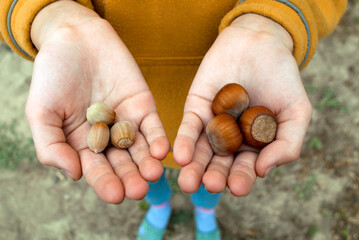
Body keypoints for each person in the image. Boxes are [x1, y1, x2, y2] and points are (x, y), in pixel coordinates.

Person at [0, 0, 347, 239]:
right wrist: (55, 16)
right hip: (120, 96)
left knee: (210, 175)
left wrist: (271, 21)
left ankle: (205, 211)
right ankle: (160, 204)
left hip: (214, 90)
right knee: (144, 169)